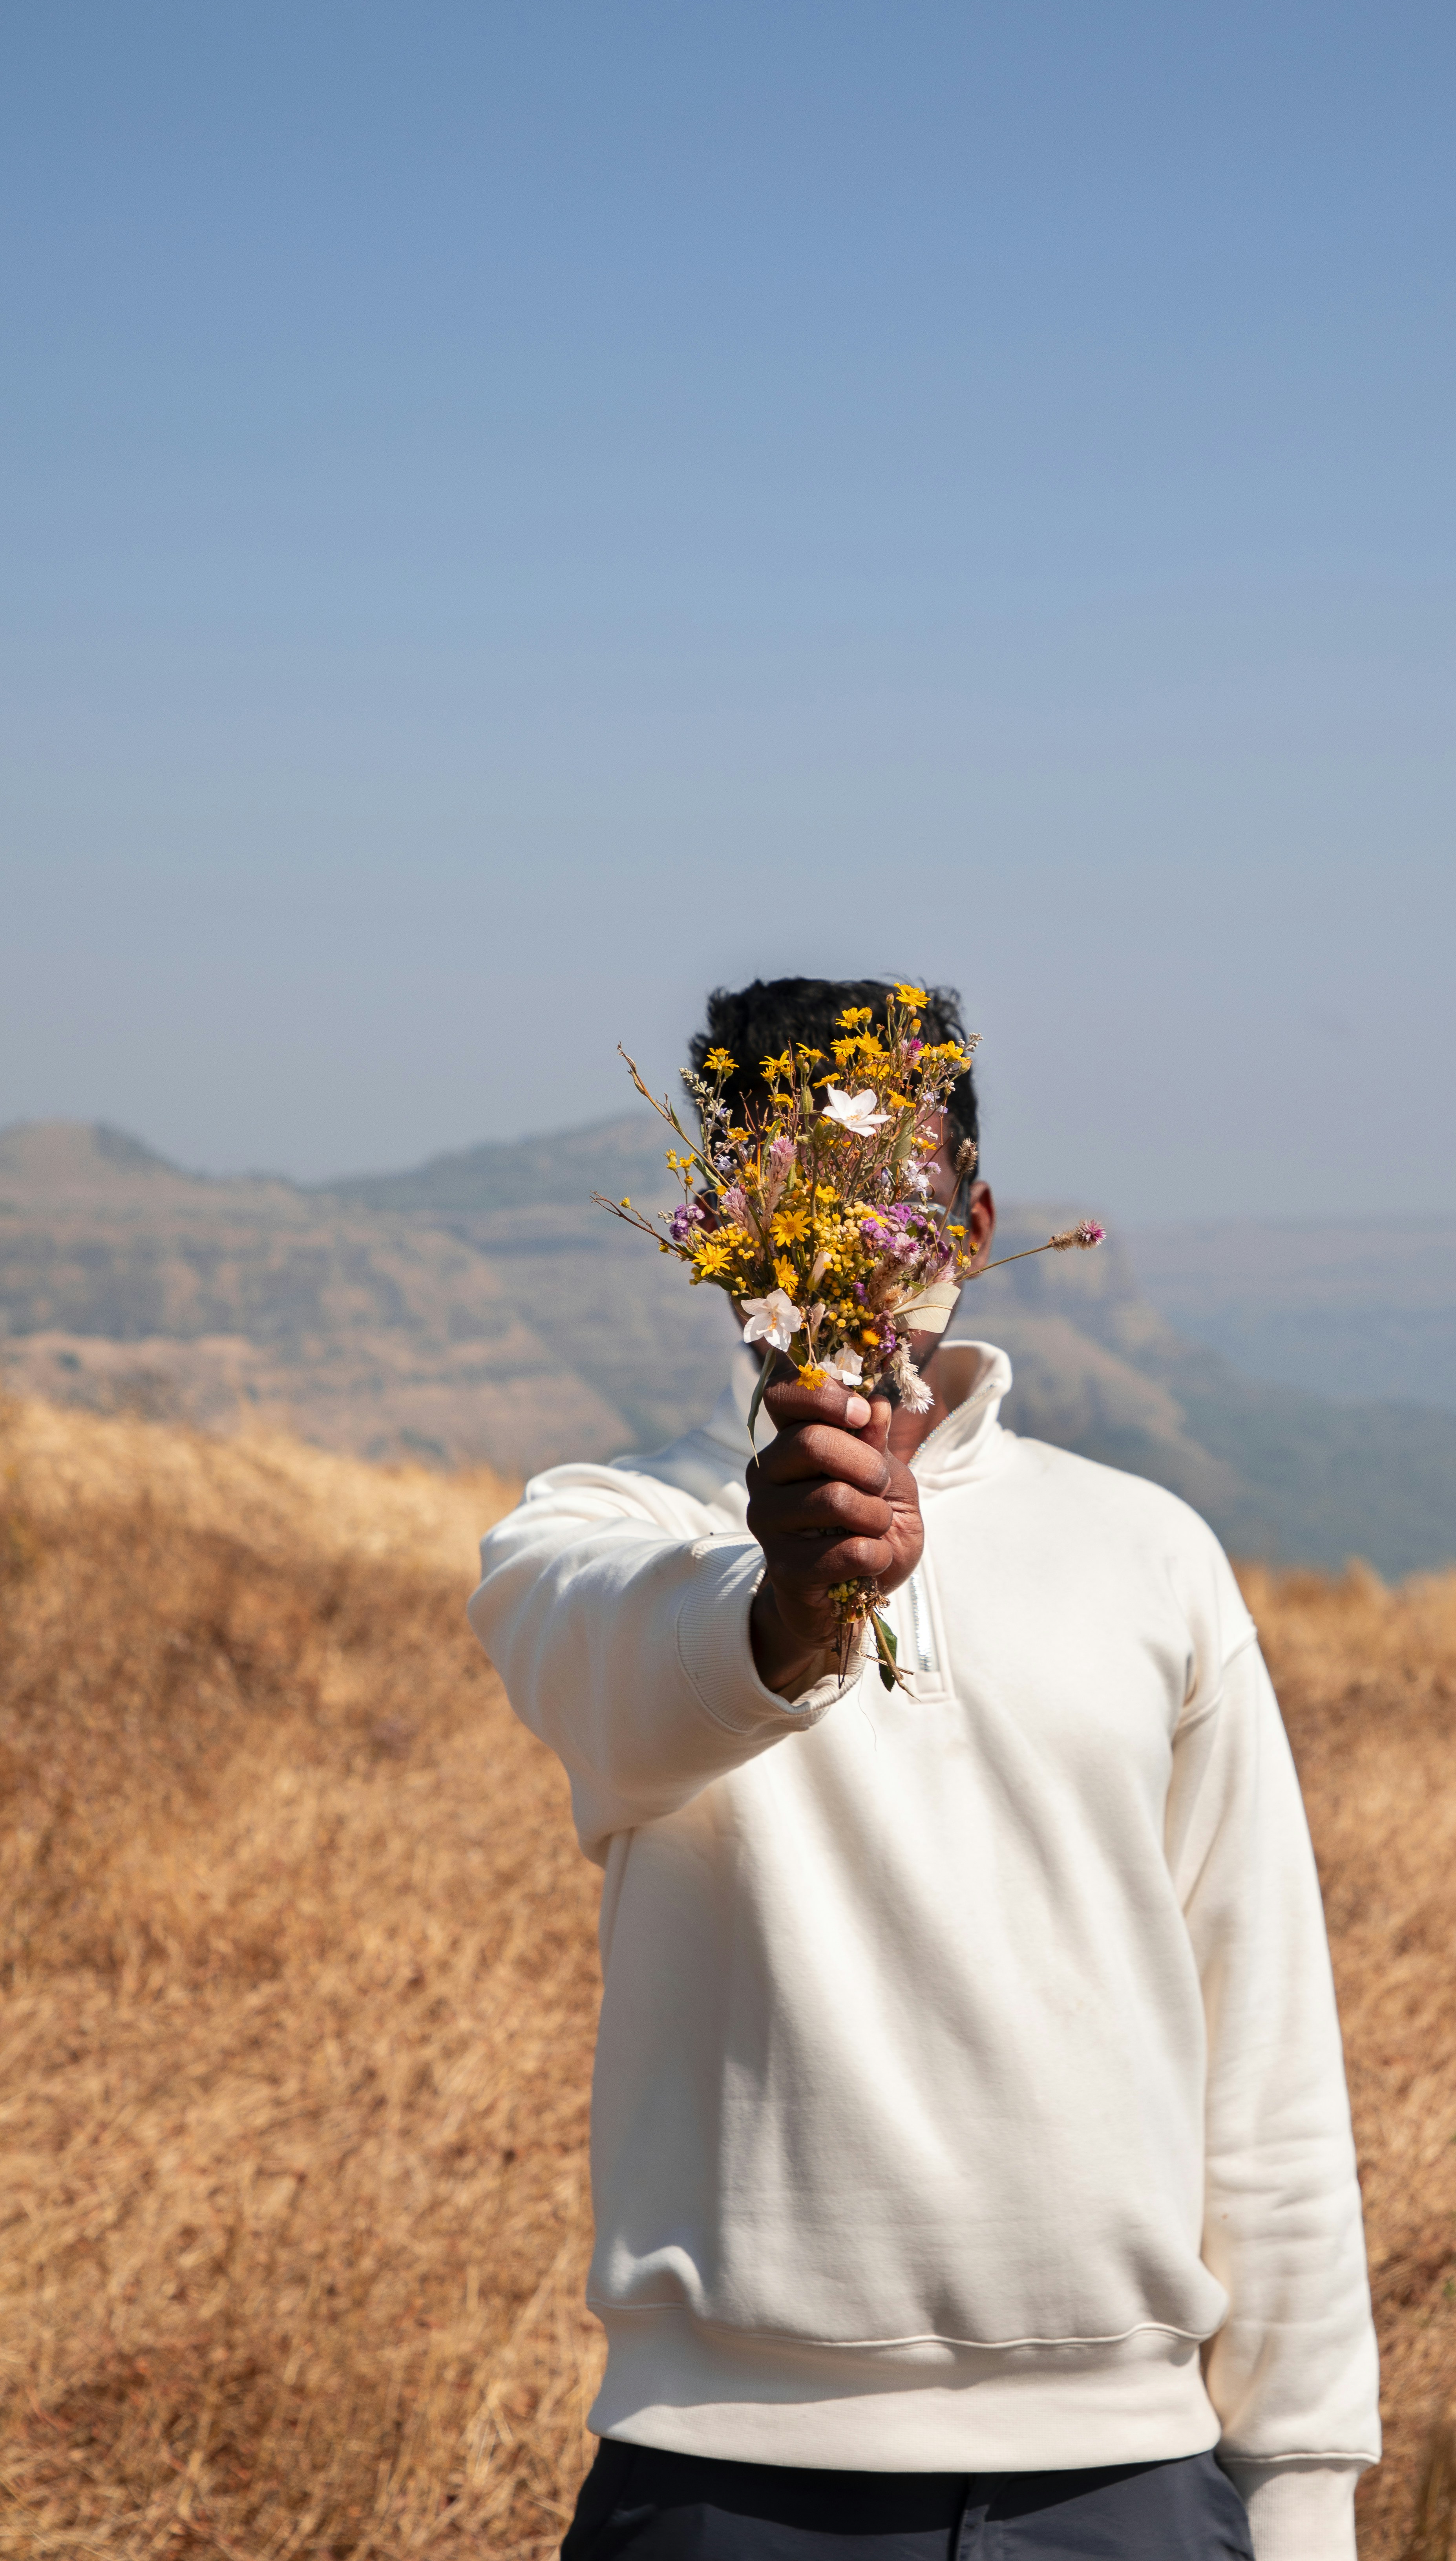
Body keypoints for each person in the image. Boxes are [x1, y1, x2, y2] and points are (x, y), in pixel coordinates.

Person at [468, 976, 1379, 2561]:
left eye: (891, 1199)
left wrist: (1300, 2489)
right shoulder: (592, 1536)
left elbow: (1268, 2058)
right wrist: (791, 1606)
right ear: (720, 1237)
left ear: (971, 1220)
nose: (852, 1252)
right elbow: (632, 1685)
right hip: (722, 2490)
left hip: (1129, 2487)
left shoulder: (1148, 1555)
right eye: (796, 1206)